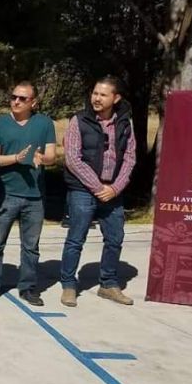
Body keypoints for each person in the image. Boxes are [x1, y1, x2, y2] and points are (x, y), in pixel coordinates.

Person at [59, 76, 136, 307]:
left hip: (112, 191)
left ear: (116, 98)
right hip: (83, 189)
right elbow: (73, 159)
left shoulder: (125, 124)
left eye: (103, 94)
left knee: (115, 238)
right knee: (76, 239)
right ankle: (69, 285)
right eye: (95, 93)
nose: (97, 98)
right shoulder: (78, 121)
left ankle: (109, 284)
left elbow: (130, 158)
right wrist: (97, 187)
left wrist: (114, 188)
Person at [0, 81, 56, 306]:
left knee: (31, 246)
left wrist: (44, 158)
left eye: (22, 98)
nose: (16, 101)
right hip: (6, 193)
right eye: (14, 97)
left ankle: (28, 287)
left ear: (34, 102)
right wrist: (16, 159)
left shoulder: (44, 123)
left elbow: (51, 154)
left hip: (35, 196)